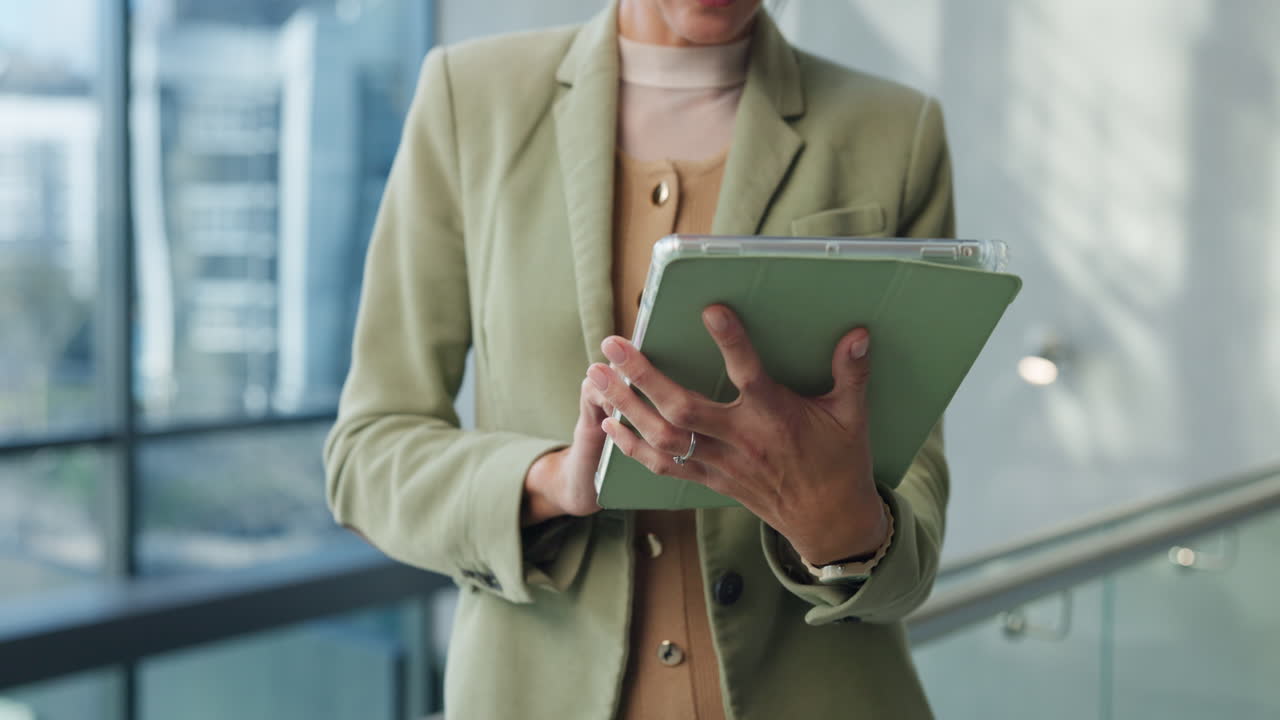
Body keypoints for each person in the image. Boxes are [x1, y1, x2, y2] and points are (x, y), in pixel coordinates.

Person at [324, 0, 952, 717]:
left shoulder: (896, 132)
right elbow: (366, 457)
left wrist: (840, 527)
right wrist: (547, 482)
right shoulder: (470, 99)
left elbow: (915, 539)